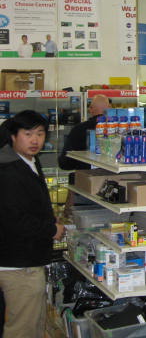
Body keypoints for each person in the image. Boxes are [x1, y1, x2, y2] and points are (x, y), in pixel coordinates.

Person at [0, 111, 65, 338]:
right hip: (19, 264)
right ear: (13, 136)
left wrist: (49, 218)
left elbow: (27, 206)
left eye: (40, 133)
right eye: (28, 134)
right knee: (23, 327)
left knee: (33, 321)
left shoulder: (27, 161)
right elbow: (13, 219)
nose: (35, 140)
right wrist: (51, 230)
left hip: (25, 259)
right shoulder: (8, 170)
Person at [58, 93, 110, 171]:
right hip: (114, 175)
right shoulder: (118, 129)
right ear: (109, 108)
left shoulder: (78, 129)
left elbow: (64, 163)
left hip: (86, 175)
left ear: (91, 109)